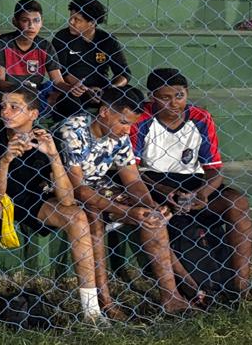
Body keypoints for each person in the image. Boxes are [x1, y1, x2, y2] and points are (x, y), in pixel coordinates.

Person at [0, 87, 105, 327]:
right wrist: (5, 160)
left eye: (14, 107)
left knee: (77, 216)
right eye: (3, 107)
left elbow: (67, 199)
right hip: (2, 199)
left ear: (33, 114)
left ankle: (91, 310)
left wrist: (53, 156)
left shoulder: (46, 138)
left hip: (34, 200)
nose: (5, 112)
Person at [57, 86, 189, 317]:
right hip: (62, 188)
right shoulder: (74, 130)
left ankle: (171, 297)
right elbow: (78, 189)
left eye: (130, 124)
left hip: (99, 185)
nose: (127, 130)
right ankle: (104, 301)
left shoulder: (119, 134)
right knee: (94, 216)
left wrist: (151, 206)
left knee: (152, 217)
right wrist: (127, 212)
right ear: (104, 112)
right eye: (123, 122)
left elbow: (133, 179)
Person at [131, 68, 252, 301]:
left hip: (193, 182)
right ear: (152, 97)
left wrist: (203, 193)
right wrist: (165, 191)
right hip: (155, 183)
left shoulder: (200, 117)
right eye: (165, 97)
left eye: (179, 95)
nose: (174, 103)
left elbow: (214, 169)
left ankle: (242, 287)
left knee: (237, 203)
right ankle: (192, 288)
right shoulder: (142, 119)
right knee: (163, 216)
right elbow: (132, 172)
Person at [50, 0, 130, 119]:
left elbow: (124, 73)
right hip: (74, 89)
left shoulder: (107, 40)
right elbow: (61, 71)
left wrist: (110, 90)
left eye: (77, 19)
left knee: (130, 96)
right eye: (71, 17)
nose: (71, 22)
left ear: (92, 23)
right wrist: (85, 89)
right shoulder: (62, 37)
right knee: (69, 101)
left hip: (102, 91)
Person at [0, 0, 63, 108]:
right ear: (15, 21)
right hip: (7, 92)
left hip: (34, 92)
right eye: (25, 20)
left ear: (42, 22)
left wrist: (72, 88)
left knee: (57, 92)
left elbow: (58, 82)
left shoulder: (45, 46)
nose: (31, 25)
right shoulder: (2, 44)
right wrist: (23, 89)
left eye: (36, 20)